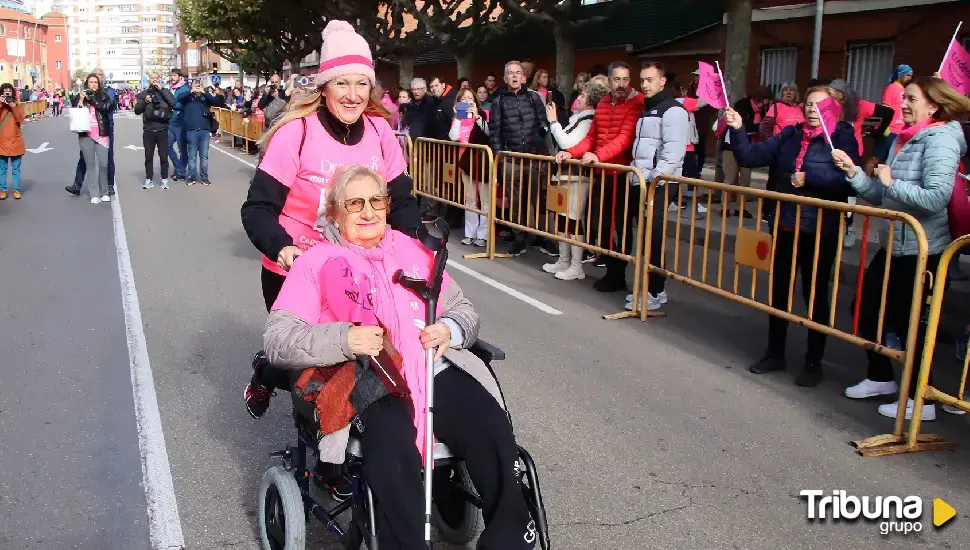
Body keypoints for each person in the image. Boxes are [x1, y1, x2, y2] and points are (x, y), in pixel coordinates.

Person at [263, 164, 536, 549]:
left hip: (431, 369)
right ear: (335, 213)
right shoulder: (316, 262)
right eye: (354, 203)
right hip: (369, 378)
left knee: (489, 422)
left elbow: (463, 308)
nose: (368, 212)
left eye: (376, 201)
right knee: (391, 449)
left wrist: (451, 328)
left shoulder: (415, 250)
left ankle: (510, 539)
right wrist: (345, 338)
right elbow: (278, 339)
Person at [240, 19, 421, 422]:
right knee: (307, 364)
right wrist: (283, 248)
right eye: (342, 83)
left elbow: (403, 200)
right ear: (323, 86)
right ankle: (273, 378)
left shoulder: (379, 131)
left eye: (362, 84)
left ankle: (358, 445)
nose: (354, 95)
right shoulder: (297, 133)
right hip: (299, 268)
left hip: (364, 268)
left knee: (367, 354)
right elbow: (257, 209)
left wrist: (415, 246)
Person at [833, 77, 970, 420]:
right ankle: (881, 378)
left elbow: (936, 197)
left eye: (911, 99)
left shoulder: (941, 140)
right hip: (895, 244)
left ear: (933, 106)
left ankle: (922, 401)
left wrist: (892, 181)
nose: (903, 105)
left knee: (914, 325)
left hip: (925, 250)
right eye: (903, 98)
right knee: (865, 309)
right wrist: (854, 174)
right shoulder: (903, 139)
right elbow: (884, 196)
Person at [727, 86, 859, 387]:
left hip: (821, 229)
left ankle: (814, 362)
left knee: (815, 295)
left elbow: (850, 182)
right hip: (786, 223)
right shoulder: (790, 134)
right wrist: (737, 129)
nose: (812, 110)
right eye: (809, 104)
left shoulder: (842, 136)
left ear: (833, 109)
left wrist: (810, 178)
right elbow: (751, 156)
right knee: (780, 290)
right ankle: (775, 353)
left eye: (819, 105)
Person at [555, 61, 644, 293]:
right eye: (617, 79)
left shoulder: (636, 102)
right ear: (609, 80)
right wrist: (570, 152)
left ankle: (617, 273)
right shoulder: (604, 103)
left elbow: (625, 138)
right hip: (601, 173)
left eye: (626, 79)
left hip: (621, 174)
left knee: (619, 228)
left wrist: (598, 155)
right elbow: (592, 137)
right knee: (599, 225)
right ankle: (611, 270)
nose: (622, 84)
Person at [624, 61, 689, 312]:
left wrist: (654, 180)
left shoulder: (673, 110)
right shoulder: (647, 109)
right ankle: (651, 289)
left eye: (650, 80)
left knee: (654, 237)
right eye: (642, 80)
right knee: (645, 237)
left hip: (658, 184)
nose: (644, 85)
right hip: (642, 180)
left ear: (663, 81)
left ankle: (654, 290)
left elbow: (672, 154)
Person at [541, 80, 608, 281]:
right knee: (562, 217)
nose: (578, 98)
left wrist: (553, 122)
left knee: (573, 218)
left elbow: (567, 143)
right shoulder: (577, 118)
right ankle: (564, 259)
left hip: (578, 177)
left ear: (591, 101)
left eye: (583, 96)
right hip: (564, 175)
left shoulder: (588, 119)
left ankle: (576, 265)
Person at [488, 60, 551, 256]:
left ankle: (536, 235)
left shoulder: (534, 98)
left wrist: (540, 143)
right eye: (510, 73)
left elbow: (544, 124)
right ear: (505, 77)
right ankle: (518, 238)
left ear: (524, 77)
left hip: (533, 157)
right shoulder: (499, 101)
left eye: (518, 73)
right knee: (514, 200)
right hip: (511, 158)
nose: (514, 76)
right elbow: (495, 132)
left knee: (534, 199)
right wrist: (499, 157)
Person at [722, 86, 774, 218]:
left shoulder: (762, 111)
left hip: (749, 147)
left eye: (767, 101)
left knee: (745, 179)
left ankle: (741, 208)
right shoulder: (742, 105)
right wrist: (759, 127)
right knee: (730, 178)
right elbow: (743, 125)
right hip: (731, 146)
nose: (765, 103)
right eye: (764, 100)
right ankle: (725, 207)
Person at [448, 87, 490, 247]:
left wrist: (478, 117)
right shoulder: (458, 118)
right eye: (463, 99)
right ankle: (470, 233)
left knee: (484, 200)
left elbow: (488, 133)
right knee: (470, 199)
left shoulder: (483, 114)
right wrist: (458, 118)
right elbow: (453, 136)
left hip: (482, 162)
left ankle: (483, 235)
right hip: (465, 163)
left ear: (475, 100)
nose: (467, 102)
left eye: (469, 98)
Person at [65, 67, 116, 197]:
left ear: (102, 79)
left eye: (99, 76)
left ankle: (108, 185)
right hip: (86, 132)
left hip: (104, 129)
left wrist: (92, 98)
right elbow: (76, 110)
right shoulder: (81, 94)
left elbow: (107, 107)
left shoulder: (107, 92)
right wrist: (82, 99)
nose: (95, 80)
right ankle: (78, 184)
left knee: (105, 161)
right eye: (92, 79)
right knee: (86, 160)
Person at [134, 72, 175, 190]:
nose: (155, 80)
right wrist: (144, 102)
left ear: (160, 80)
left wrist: (162, 90)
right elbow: (137, 110)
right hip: (148, 129)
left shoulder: (165, 92)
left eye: (157, 78)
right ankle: (149, 179)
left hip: (162, 129)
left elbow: (173, 103)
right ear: (148, 80)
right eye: (152, 78)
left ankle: (164, 179)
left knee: (163, 156)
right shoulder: (143, 94)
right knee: (148, 156)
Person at [180, 79, 215, 186]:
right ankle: (191, 176)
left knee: (204, 156)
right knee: (192, 156)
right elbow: (179, 98)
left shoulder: (205, 98)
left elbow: (215, 102)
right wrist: (191, 90)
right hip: (191, 130)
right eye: (196, 85)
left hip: (204, 130)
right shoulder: (188, 97)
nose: (198, 87)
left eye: (199, 85)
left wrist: (205, 92)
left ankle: (204, 177)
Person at [877, 64, 913, 161]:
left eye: (911, 76)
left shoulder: (906, 90)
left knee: (892, 159)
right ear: (900, 75)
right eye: (908, 75)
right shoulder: (891, 88)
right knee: (876, 157)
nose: (910, 78)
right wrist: (885, 127)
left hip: (901, 130)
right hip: (890, 130)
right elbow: (885, 108)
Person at [0, 83, 24, 200]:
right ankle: (2, 190)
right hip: (2, 142)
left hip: (15, 141)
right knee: (2, 169)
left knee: (16, 169)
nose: (7, 94)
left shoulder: (16, 105)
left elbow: (20, 119)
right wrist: (1, 103)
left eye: (9, 92)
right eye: (5, 92)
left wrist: (13, 106)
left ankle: (16, 190)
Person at [168, 69, 191, 182]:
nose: (172, 77)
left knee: (182, 149)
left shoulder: (184, 88)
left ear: (180, 77)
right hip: (170, 120)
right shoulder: (170, 88)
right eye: (171, 75)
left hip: (180, 121)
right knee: (167, 146)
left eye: (174, 75)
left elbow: (177, 102)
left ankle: (181, 172)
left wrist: (172, 102)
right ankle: (178, 167)